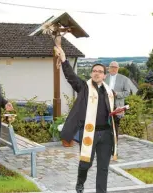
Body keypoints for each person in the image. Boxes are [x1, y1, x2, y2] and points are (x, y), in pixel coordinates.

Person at [57, 47, 118, 193]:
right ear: (92, 74)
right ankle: (80, 182)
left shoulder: (110, 92)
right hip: (89, 133)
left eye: (100, 71)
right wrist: (64, 60)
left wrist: (118, 114)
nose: (97, 73)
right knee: (86, 163)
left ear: (104, 76)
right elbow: (71, 77)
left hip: (106, 134)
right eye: (94, 71)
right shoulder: (84, 87)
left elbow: (112, 113)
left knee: (103, 167)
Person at [105, 61, 130, 139]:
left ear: (118, 68)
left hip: (117, 106)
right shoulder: (104, 77)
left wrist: (117, 94)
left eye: (115, 67)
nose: (113, 69)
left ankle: (115, 143)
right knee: (105, 124)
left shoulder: (124, 79)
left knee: (115, 125)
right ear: (108, 68)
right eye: (111, 67)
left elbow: (127, 92)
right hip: (105, 104)